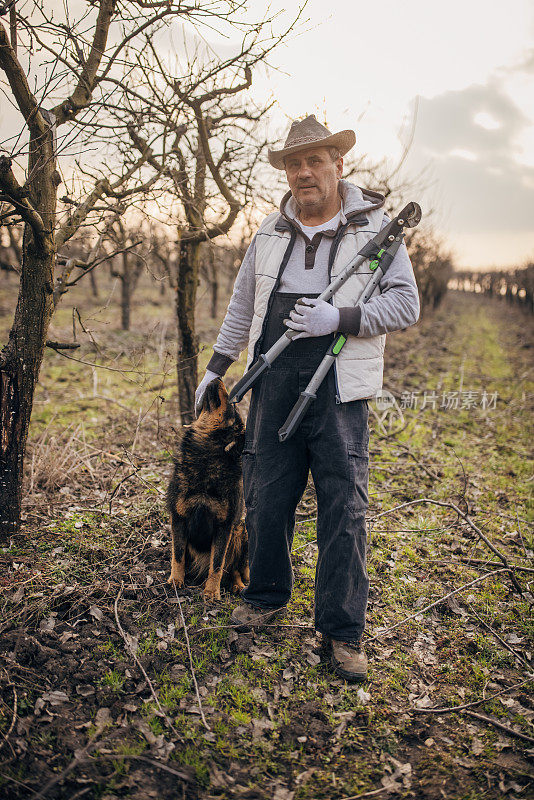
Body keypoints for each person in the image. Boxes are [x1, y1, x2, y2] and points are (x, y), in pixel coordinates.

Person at [194, 114, 420, 681]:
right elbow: (242, 308)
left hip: (338, 392)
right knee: (267, 498)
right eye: (294, 163)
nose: (303, 173)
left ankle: (342, 631)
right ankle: (266, 596)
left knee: (344, 509)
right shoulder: (268, 234)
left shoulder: (375, 229)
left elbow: (406, 304)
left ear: (338, 164)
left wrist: (338, 317)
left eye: (314, 160)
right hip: (273, 384)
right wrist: (217, 368)